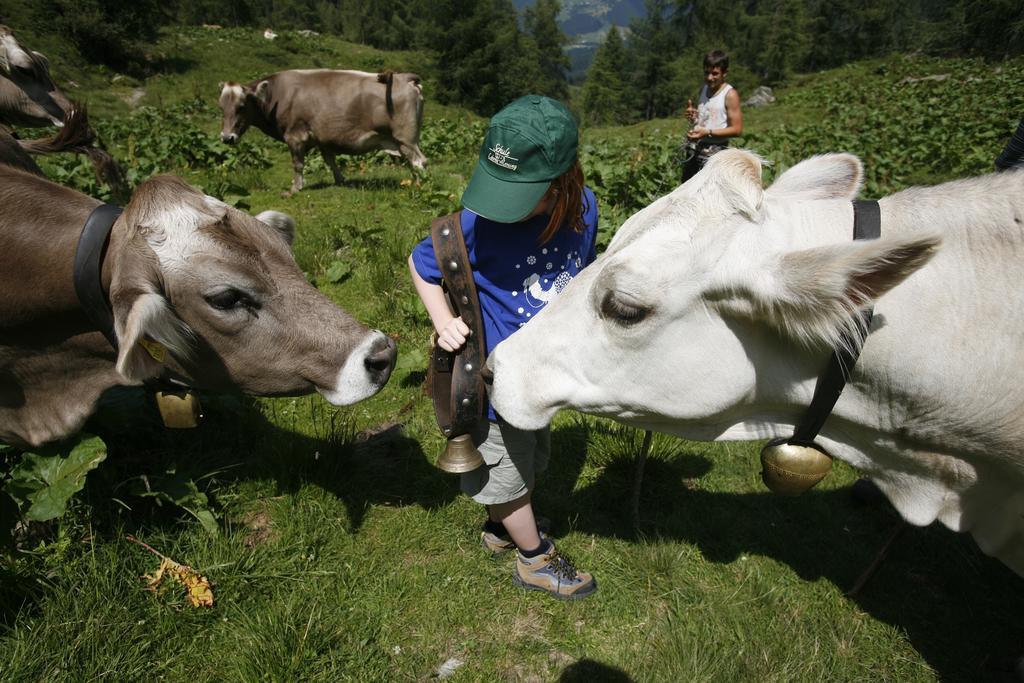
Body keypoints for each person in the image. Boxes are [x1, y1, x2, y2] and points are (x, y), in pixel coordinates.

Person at [408, 95, 599, 600]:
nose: (504, 208)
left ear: (564, 182)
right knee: (506, 470)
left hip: (545, 373)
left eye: (521, 195)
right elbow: (420, 263)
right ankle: (534, 559)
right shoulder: (473, 224)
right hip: (491, 382)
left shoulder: (585, 210)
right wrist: (443, 319)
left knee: (533, 457)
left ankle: (502, 527)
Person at [681, 50, 744, 183]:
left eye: (715, 73)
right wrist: (693, 117)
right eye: (706, 73)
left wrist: (707, 133)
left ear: (724, 73)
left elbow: (737, 129)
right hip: (695, 150)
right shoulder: (704, 89)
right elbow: (705, 117)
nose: (710, 78)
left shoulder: (730, 94)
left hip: (715, 153)